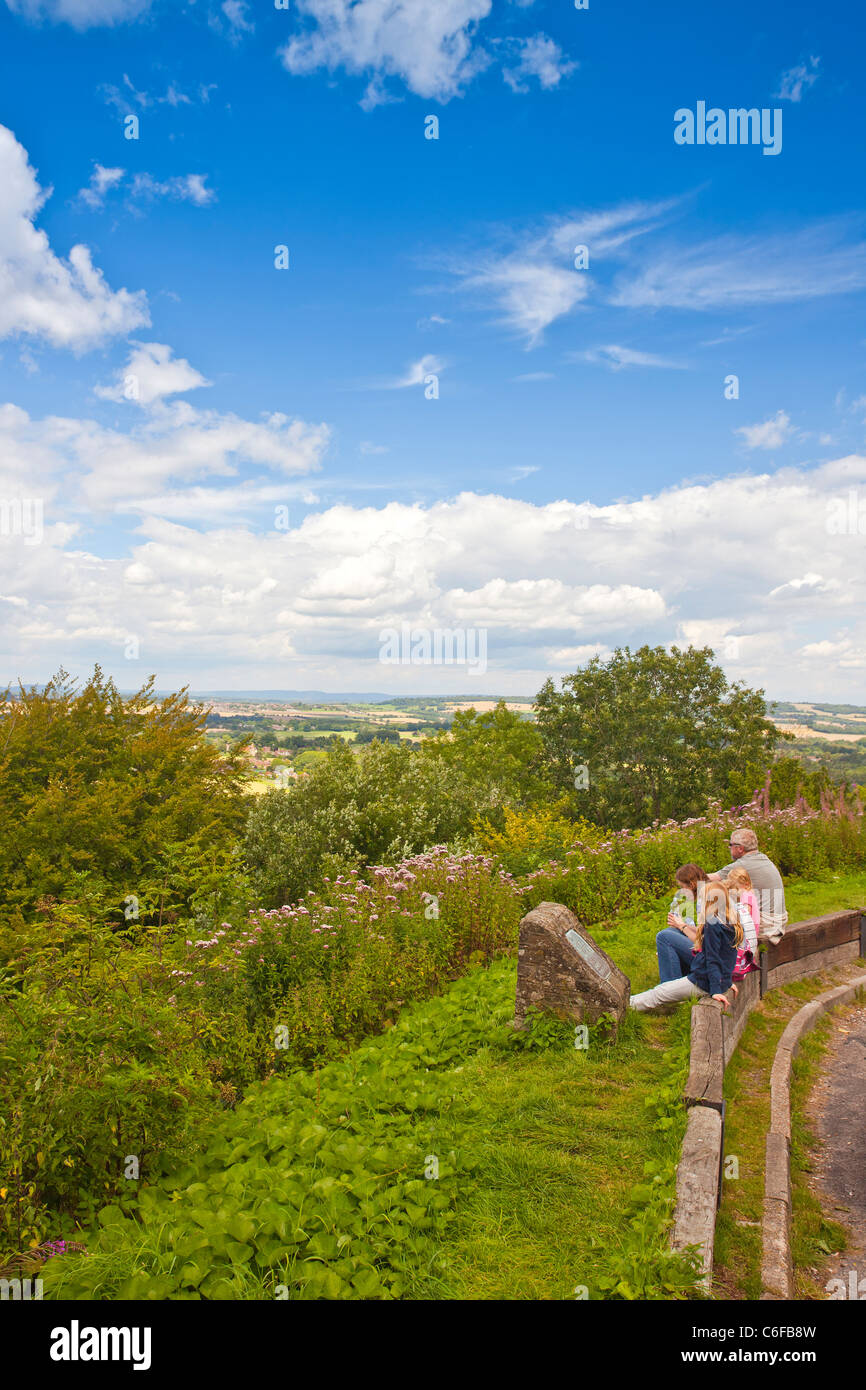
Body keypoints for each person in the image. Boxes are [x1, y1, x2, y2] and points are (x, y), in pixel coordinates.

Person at [630, 881, 742, 1013]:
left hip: (702, 982)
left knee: (659, 993)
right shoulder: (732, 922)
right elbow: (728, 957)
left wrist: (716, 990)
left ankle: (623, 1005)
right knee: (664, 990)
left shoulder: (712, 925)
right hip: (716, 979)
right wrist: (727, 982)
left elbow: (713, 958)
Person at [710, 827, 788, 944]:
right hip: (777, 921)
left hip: (766, 925)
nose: (729, 848)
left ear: (740, 848)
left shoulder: (743, 864)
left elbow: (708, 879)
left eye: (731, 845)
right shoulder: (762, 858)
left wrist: (686, 876)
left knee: (718, 895)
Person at [656, 863, 709, 982]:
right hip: (716, 952)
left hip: (712, 958)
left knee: (664, 937)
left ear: (691, 884)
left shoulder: (705, 900)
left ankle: (669, 988)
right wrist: (680, 926)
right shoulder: (709, 892)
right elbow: (705, 931)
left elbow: (702, 941)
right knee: (671, 931)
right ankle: (677, 981)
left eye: (682, 887)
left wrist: (682, 926)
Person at [725, 864, 760, 979]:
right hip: (751, 933)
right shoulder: (750, 894)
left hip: (748, 935)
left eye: (736, 889)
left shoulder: (746, 896)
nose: (734, 892)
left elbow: (745, 916)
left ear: (746, 884)